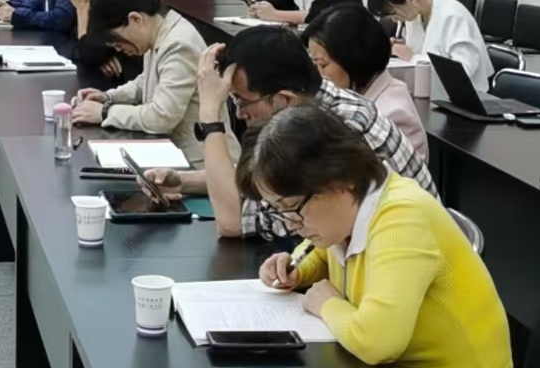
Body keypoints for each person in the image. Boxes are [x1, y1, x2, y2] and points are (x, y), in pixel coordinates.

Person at [245, 105, 514, 368]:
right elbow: (329, 253)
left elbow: (377, 342)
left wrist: (327, 305)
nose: (291, 222)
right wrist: (297, 270)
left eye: (292, 207)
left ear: (340, 182)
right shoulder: (352, 210)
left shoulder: (402, 218)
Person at [143, 25, 435, 240]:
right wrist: (184, 181)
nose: (241, 114)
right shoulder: (314, 100)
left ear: (284, 99)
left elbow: (233, 222)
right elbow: (262, 189)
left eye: (242, 102)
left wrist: (210, 116)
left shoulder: (327, 130)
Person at [68, 0, 208, 164]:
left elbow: (162, 117)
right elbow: (145, 81)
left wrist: (105, 112)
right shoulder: (159, 33)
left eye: (117, 40)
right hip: (173, 154)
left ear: (135, 19)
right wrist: (108, 97)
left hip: (198, 164)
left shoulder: (179, 44)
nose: (118, 48)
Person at [302, 4, 428, 163]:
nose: (319, 74)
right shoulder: (355, 94)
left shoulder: (393, 113)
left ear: (353, 60)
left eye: (323, 64)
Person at [368, 0, 492, 87]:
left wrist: (413, 58)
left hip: (466, 94)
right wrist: (403, 48)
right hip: (431, 88)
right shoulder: (415, 14)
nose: (395, 20)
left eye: (394, 13)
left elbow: (463, 71)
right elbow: (427, 49)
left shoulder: (453, 16)